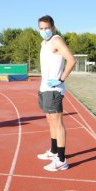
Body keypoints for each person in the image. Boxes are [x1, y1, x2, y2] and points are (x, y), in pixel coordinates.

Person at [37, 15, 76, 171]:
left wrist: (60, 79)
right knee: (50, 121)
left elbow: (71, 60)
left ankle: (61, 160)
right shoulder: (44, 43)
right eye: (41, 28)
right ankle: (54, 151)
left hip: (54, 89)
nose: (44, 31)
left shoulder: (56, 40)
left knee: (57, 122)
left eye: (47, 28)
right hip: (44, 88)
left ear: (53, 28)